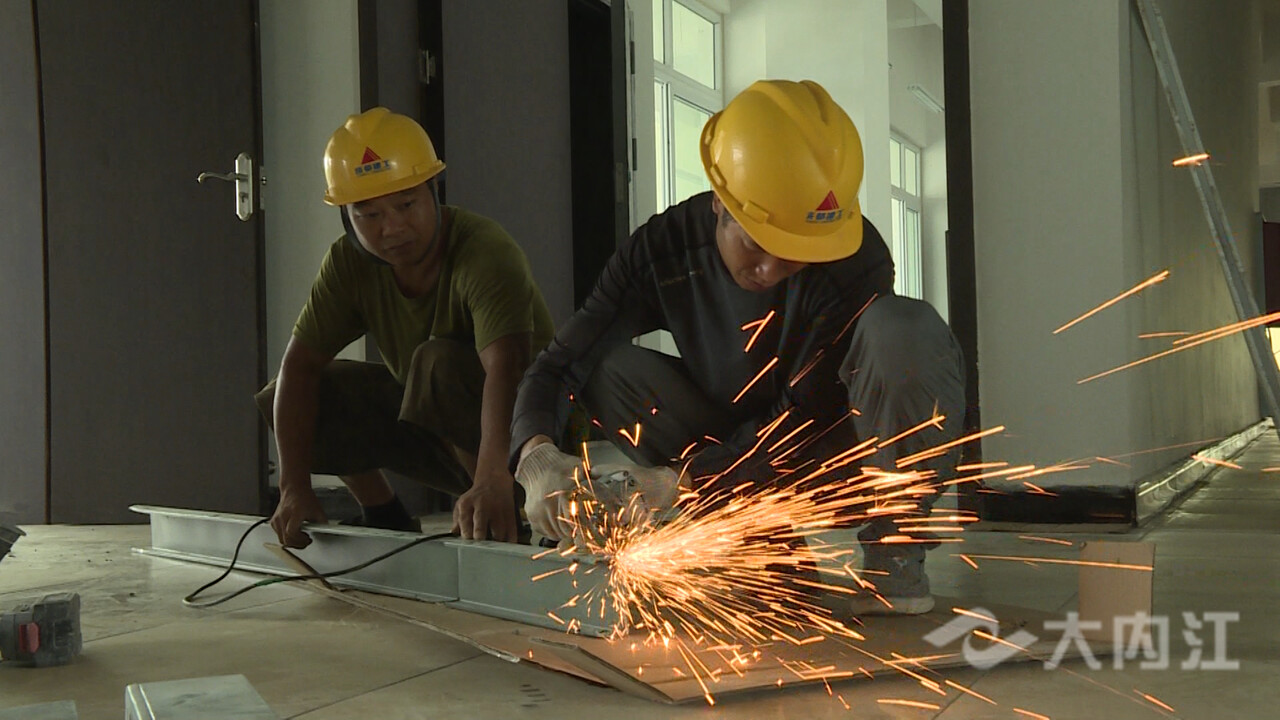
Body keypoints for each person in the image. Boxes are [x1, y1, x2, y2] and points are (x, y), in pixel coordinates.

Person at [509, 80, 965, 615]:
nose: (770, 269)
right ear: (720, 202)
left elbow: (806, 418)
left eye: (793, 252)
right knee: (605, 366)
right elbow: (560, 363)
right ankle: (761, 541)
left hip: (832, 458)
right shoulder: (660, 250)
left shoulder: (853, 262)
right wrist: (535, 457)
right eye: (756, 243)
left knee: (904, 331)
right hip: (726, 445)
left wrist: (678, 482)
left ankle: (895, 556)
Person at [258, 107, 554, 549]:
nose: (392, 228)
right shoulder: (348, 264)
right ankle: (384, 514)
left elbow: (507, 369)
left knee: (435, 362)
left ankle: (505, 507)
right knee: (285, 392)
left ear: (433, 191)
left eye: (406, 204)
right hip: (436, 428)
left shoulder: (485, 250)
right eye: (369, 215)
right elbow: (299, 368)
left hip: (531, 439)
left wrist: (493, 478)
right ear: (347, 217)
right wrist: (292, 487)